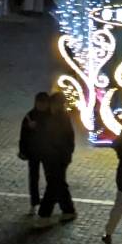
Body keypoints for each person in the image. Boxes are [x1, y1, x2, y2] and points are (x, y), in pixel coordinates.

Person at [36, 93, 77, 224]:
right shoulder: (56, 117)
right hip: (54, 156)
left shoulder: (59, 118)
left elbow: (64, 139)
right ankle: (68, 210)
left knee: (53, 184)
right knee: (59, 183)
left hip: (56, 157)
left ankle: (44, 214)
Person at [18, 91, 51, 212]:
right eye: (39, 104)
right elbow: (23, 135)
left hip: (48, 151)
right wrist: (23, 151)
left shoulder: (50, 116)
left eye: (43, 104)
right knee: (34, 177)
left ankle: (49, 199)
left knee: (50, 176)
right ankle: (34, 201)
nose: (41, 106)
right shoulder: (30, 116)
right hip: (34, 152)